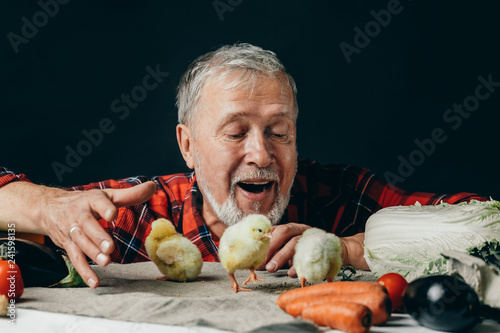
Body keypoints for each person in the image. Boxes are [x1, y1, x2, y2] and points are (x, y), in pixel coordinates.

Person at [0, 43, 486, 288]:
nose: (261, 154)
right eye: (235, 133)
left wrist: (357, 249)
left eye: (279, 132)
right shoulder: (143, 214)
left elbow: (480, 221)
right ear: (187, 146)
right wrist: (49, 209)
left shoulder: (340, 198)